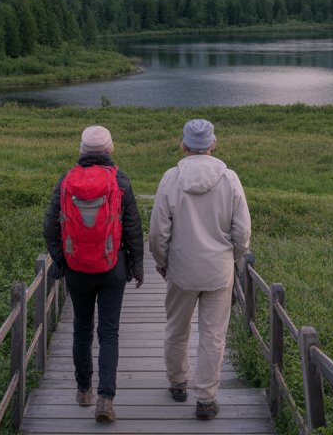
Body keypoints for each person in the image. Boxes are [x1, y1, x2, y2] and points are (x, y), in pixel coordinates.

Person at [149, 118, 251, 421]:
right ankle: (206, 399)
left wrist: (162, 261)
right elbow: (242, 232)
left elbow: (158, 232)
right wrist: (232, 257)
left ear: (183, 146)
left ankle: (177, 383)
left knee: (177, 329)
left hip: (181, 269)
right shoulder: (229, 178)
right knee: (213, 335)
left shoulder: (170, 177)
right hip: (218, 272)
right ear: (213, 145)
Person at [43, 125, 144, 423]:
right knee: (109, 332)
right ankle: (106, 399)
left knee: (82, 329)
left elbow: (50, 228)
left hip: (77, 270)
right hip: (113, 267)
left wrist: (61, 263)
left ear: (82, 150)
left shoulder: (66, 181)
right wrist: (137, 266)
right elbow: (133, 230)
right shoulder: (120, 180)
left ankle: (83, 389)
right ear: (110, 150)